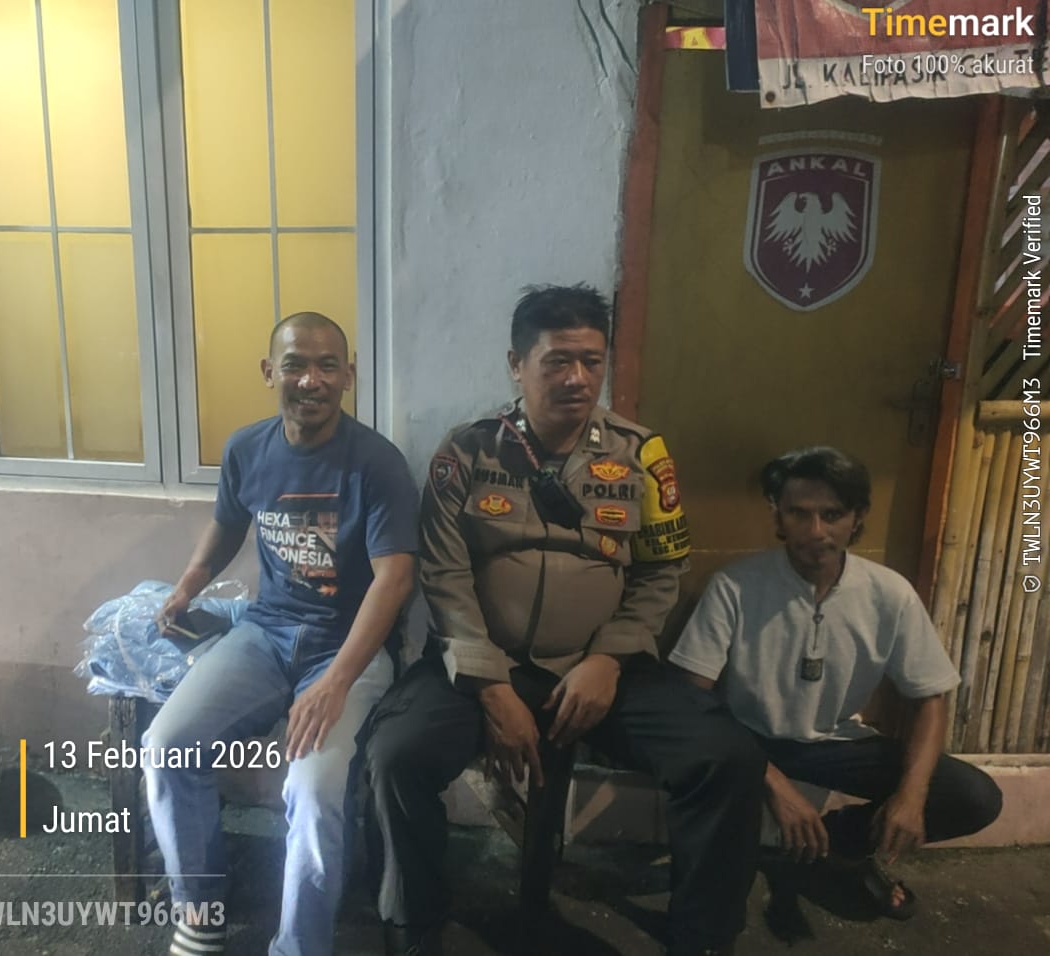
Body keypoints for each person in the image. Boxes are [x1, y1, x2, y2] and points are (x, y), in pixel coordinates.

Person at [365, 284, 766, 956]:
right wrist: (491, 687)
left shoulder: (642, 455)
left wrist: (609, 660)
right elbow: (444, 576)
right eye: (557, 361)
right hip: (483, 665)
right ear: (516, 364)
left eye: (591, 360)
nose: (578, 378)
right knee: (395, 755)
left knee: (726, 759)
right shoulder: (467, 452)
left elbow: (661, 571)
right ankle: (415, 922)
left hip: (604, 671)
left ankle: (703, 937)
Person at [142, 312, 418, 956]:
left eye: (327, 366)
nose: (310, 380)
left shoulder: (377, 464)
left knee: (313, 791)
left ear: (349, 376)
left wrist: (336, 683)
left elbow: (395, 579)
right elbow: (228, 523)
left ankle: (300, 945)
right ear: (270, 372)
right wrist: (189, 583)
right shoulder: (247, 449)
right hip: (265, 634)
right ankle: (200, 911)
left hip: (347, 650)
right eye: (295, 364)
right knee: (166, 746)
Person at [669, 446, 1003, 920]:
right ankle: (741, 866)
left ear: (857, 517)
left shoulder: (889, 594)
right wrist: (774, 784)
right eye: (799, 513)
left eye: (832, 514)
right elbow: (691, 698)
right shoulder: (735, 587)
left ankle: (837, 846)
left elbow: (931, 697)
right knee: (712, 909)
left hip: (833, 742)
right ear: (778, 516)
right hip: (744, 740)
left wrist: (911, 797)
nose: (815, 531)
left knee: (974, 797)